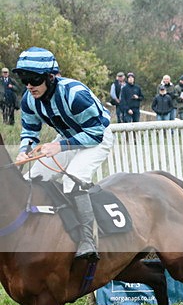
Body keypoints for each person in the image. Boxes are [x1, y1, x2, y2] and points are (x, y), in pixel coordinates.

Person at [13, 47, 113, 262]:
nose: (29, 86)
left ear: (50, 77)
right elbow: (30, 131)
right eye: (24, 80)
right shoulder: (28, 99)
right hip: (68, 139)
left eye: (34, 79)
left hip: (97, 137)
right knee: (31, 179)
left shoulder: (75, 94)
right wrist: (24, 151)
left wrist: (60, 146)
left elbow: (95, 133)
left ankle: (88, 240)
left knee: (72, 179)